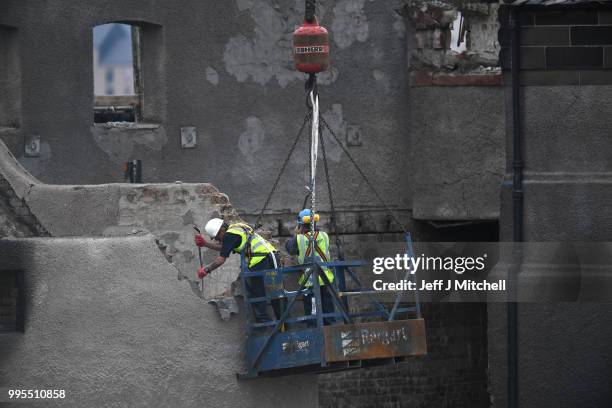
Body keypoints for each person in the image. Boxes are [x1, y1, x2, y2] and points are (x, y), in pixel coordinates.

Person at [195, 218, 282, 323]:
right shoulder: (235, 229)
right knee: (275, 291)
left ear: (221, 230)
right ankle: (283, 321)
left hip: (261, 259)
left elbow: (221, 259)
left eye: (217, 237)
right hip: (270, 256)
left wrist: (206, 270)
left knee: (257, 292)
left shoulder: (229, 235)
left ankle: (264, 321)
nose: (218, 240)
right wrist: (205, 244)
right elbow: (225, 247)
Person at [285, 209, 335, 326]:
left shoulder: (299, 238)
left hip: (310, 281)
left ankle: (315, 335)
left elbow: (290, 249)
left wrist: (296, 234)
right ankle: (331, 334)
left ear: (300, 225)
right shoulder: (324, 235)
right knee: (328, 311)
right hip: (326, 280)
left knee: (313, 314)